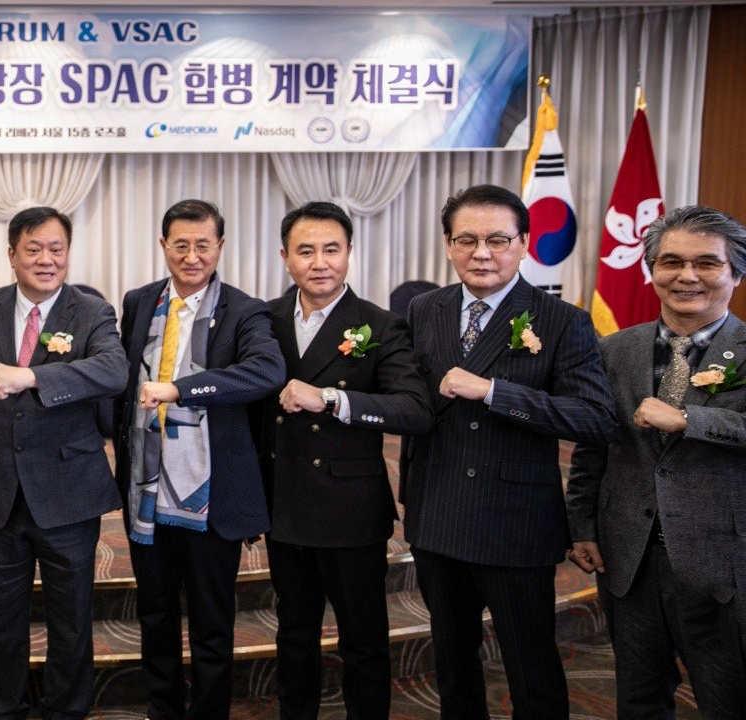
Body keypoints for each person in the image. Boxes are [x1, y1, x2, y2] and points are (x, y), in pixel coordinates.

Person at [399, 184, 615, 719]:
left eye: (497, 240)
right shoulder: (424, 309)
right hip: (437, 513)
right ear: (448, 244)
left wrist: (495, 392)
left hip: (515, 522)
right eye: (466, 240)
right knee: (452, 663)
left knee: (530, 666)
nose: (482, 253)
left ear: (523, 244)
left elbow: (594, 417)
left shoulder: (562, 319)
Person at [0, 206, 127, 720]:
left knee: (71, 619)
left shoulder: (91, 311)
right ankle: (4, 707)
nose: (47, 260)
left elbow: (114, 372)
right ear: (12, 254)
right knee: (2, 620)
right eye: (34, 249)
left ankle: (66, 709)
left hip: (69, 493)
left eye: (56, 249)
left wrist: (32, 377)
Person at [566, 205, 746, 719]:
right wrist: (582, 525)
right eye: (671, 262)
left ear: (735, 274)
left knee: (728, 699)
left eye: (707, 263)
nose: (687, 276)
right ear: (651, 271)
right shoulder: (613, 349)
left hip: (725, 563)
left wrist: (690, 420)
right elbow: (593, 446)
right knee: (639, 698)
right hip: (630, 558)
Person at [258, 202, 432, 720]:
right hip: (284, 503)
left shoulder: (379, 324)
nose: (319, 263)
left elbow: (414, 410)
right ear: (285, 257)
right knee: (294, 633)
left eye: (331, 249)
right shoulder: (263, 320)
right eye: (305, 251)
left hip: (350, 509)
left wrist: (333, 399)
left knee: (363, 639)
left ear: (350, 252)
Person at [114, 199, 285, 720]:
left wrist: (181, 389)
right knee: (155, 615)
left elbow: (266, 372)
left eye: (203, 246)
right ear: (163, 245)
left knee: (212, 621)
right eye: (181, 245)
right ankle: (162, 710)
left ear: (220, 247)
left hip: (209, 494)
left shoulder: (244, 310)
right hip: (146, 489)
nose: (192, 257)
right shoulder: (139, 301)